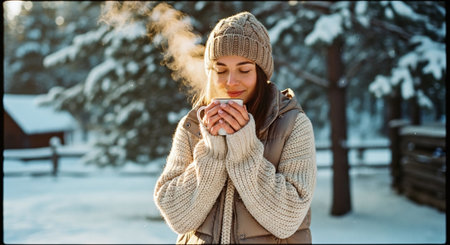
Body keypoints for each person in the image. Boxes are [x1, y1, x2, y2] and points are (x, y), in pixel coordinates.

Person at [154, 11, 316, 244]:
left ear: (261, 73)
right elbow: (178, 217)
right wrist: (213, 151)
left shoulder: (293, 125)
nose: (231, 82)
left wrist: (243, 149)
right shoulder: (192, 126)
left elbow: (288, 219)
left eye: (244, 70)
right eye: (221, 70)